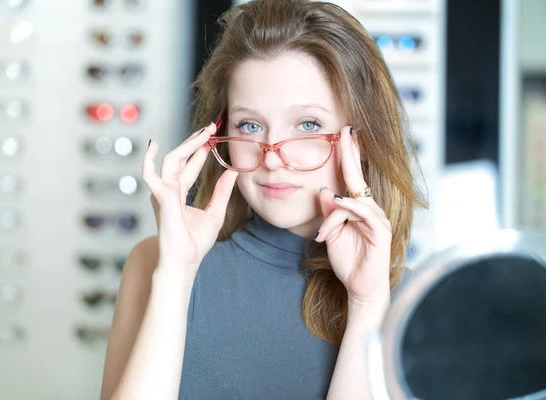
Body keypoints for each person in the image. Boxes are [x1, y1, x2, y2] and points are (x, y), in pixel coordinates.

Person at [100, 0, 427, 399]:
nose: (272, 157)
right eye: (250, 125)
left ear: (359, 140)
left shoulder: (409, 301)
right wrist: (177, 275)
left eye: (308, 125)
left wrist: (367, 305)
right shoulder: (155, 263)